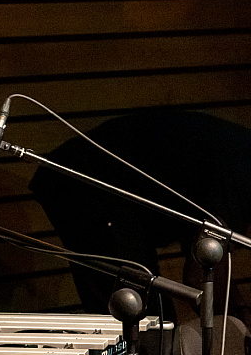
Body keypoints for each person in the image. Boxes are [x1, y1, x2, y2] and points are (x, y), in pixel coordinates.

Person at [28, 110, 251, 325]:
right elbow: (200, 276)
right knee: (142, 313)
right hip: (86, 183)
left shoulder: (237, 159)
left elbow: (203, 257)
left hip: (102, 189)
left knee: (152, 316)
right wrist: (241, 323)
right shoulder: (241, 170)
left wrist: (239, 313)